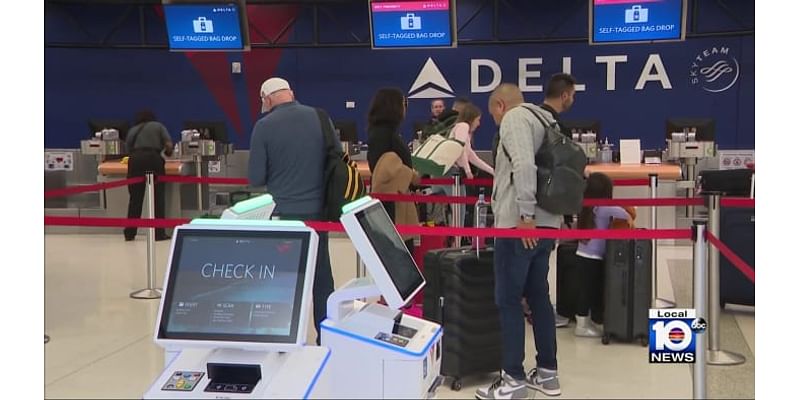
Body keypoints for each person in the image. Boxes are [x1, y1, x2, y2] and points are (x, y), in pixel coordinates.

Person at [475, 83, 562, 400]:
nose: (496, 121)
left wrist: (525, 216)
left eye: (493, 115)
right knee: (538, 295)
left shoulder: (514, 119)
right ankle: (548, 374)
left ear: (500, 105)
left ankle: (513, 379)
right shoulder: (545, 119)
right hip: (548, 222)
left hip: (519, 224)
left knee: (508, 299)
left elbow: (524, 165)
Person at [247, 77, 334, 344]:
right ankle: (325, 336)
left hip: (284, 214)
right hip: (319, 214)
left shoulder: (264, 126)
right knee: (321, 278)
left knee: (283, 279)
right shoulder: (320, 117)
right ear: (290, 93)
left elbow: (256, 177)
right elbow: (336, 158)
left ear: (267, 99)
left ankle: (283, 336)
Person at [573, 173, 634, 337]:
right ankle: (582, 325)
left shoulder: (586, 206)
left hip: (581, 254)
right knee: (589, 291)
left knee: (585, 290)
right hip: (594, 257)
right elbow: (627, 214)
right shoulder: (605, 208)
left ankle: (585, 321)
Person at [366, 88, 421, 254]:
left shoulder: (384, 132)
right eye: (403, 104)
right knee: (398, 256)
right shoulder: (384, 134)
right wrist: (410, 174)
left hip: (396, 201)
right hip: (392, 205)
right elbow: (385, 169)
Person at [124, 110, 173, 242]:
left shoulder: (133, 130)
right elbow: (168, 144)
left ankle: (130, 233)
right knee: (158, 197)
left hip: (135, 160)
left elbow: (127, 148)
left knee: (135, 199)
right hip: (153, 159)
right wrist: (168, 153)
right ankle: (159, 233)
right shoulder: (158, 126)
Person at [448, 103, 494, 180]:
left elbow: (471, 156)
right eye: (478, 120)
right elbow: (460, 149)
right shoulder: (463, 126)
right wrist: (467, 170)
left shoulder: (463, 130)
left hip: (451, 171)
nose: (478, 124)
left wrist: (492, 171)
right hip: (450, 171)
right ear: (471, 119)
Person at [540, 73, 577, 137]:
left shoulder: (529, 118)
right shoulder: (559, 132)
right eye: (572, 95)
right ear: (564, 96)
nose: (572, 100)